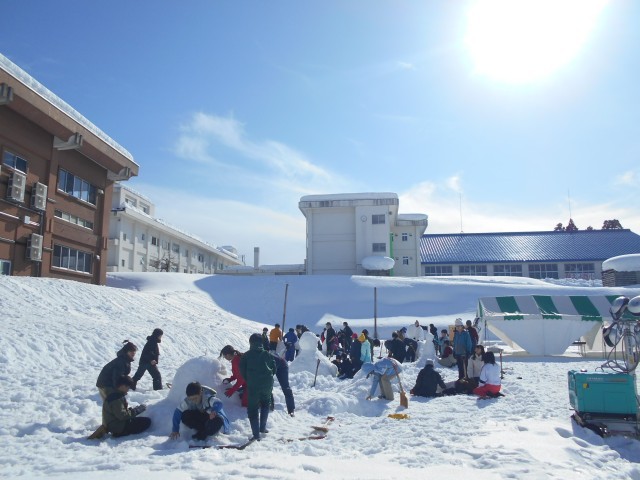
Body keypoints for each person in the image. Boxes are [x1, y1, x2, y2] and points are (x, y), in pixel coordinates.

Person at [240, 333, 276, 441]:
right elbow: (274, 368)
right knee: (265, 404)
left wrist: (250, 380)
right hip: (267, 384)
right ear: (262, 343)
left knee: (253, 408)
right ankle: (262, 428)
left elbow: (242, 371)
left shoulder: (246, 356)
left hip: (253, 385)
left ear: (250, 343)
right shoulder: (267, 354)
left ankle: (256, 435)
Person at [270, 351, 296, 416]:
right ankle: (270, 405)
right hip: (274, 365)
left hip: (282, 366)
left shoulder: (266, 357)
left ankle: (291, 410)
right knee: (267, 385)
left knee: (285, 387)